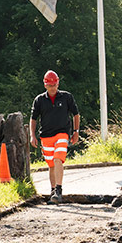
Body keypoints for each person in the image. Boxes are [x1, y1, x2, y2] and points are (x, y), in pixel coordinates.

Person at [30, 70, 80, 204]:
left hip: (62, 133)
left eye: (54, 85)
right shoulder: (39, 100)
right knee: (51, 164)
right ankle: (53, 191)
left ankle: (58, 190)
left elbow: (76, 114)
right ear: (45, 85)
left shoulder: (66, 97)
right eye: (50, 85)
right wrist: (32, 135)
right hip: (46, 136)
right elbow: (33, 118)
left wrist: (76, 131)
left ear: (58, 84)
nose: (52, 88)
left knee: (58, 159)